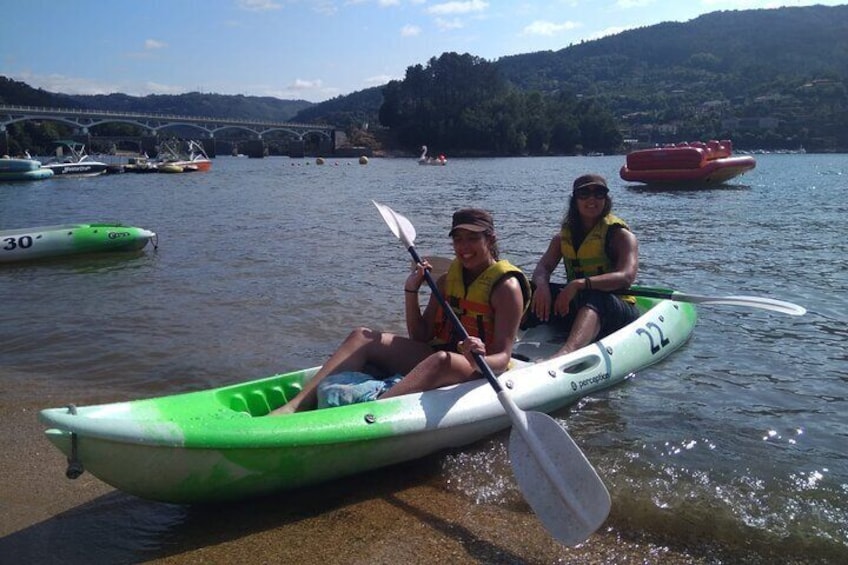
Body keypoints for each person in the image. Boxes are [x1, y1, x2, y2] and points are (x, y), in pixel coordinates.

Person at [271, 208, 531, 414]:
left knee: (441, 359)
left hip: (478, 366)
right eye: (458, 239)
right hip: (442, 355)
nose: (464, 247)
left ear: (491, 239)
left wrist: (478, 356)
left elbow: (502, 357)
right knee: (361, 335)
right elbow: (421, 336)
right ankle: (294, 406)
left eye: (473, 238)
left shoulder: (506, 287)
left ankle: (372, 412)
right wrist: (411, 291)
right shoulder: (446, 281)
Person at [529, 173, 640, 358]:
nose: (592, 199)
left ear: (606, 199)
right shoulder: (562, 238)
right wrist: (541, 286)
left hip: (615, 308)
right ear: (575, 200)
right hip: (578, 304)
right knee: (528, 288)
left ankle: (566, 353)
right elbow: (543, 268)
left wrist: (579, 284)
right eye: (584, 194)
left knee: (595, 297)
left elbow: (626, 277)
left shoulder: (620, 236)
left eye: (599, 194)